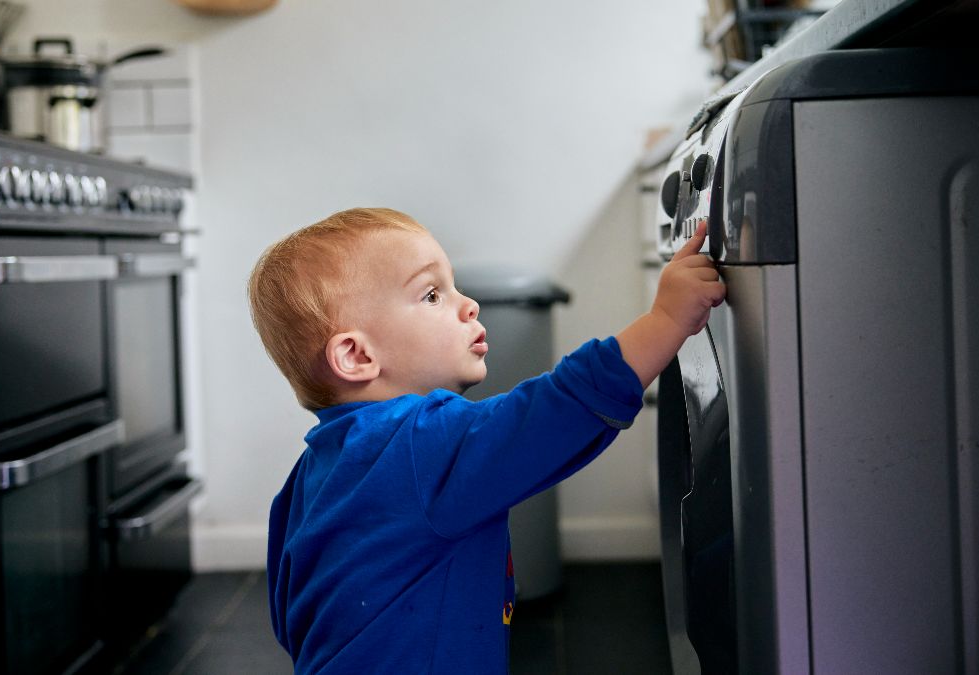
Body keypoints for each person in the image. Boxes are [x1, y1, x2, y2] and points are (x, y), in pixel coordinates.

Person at [249, 207, 725, 673]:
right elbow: (558, 410)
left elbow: (290, 617)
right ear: (356, 355)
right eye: (432, 294)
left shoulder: (303, 481)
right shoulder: (422, 440)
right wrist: (666, 319)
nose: (468, 303)